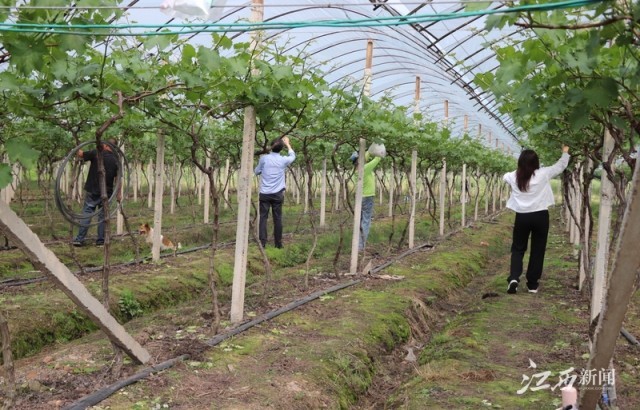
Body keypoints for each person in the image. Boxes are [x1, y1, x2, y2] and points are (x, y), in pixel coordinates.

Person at [503, 145, 570, 294]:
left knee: (518, 249)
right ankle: (532, 284)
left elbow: (505, 176)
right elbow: (560, 166)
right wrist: (565, 152)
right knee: (537, 249)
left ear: (520, 162)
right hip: (540, 216)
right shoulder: (543, 174)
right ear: (536, 162)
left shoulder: (514, 176)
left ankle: (514, 278)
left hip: (522, 216)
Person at [73, 138, 120, 247]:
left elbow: (80, 154)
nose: (101, 145)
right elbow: (118, 179)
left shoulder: (96, 154)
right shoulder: (116, 160)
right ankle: (100, 241)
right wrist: (118, 193)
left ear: (107, 145)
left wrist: (78, 145)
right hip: (107, 193)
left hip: (92, 191)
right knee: (103, 217)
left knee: (87, 214)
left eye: (103, 144)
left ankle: (79, 239)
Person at [254, 136, 296, 248]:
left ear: (271, 147)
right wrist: (288, 144)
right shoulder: (283, 160)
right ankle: (278, 244)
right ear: (281, 149)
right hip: (277, 194)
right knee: (277, 218)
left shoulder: (264, 159)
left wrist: (263, 170)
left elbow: (256, 171)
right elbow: (292, 156)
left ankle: (262, 243)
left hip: (265, 194)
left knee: (263, 218)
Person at [351, 147, 383, 251]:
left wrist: (369, 150)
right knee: (366, 221)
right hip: (367, 198)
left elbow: (365, 156)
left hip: (360, 197)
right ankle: (361, 246)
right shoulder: (365, 168)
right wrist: (379, 147)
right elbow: (377, 159)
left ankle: (356, 244)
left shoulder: (357, 170)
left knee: (359, 220)